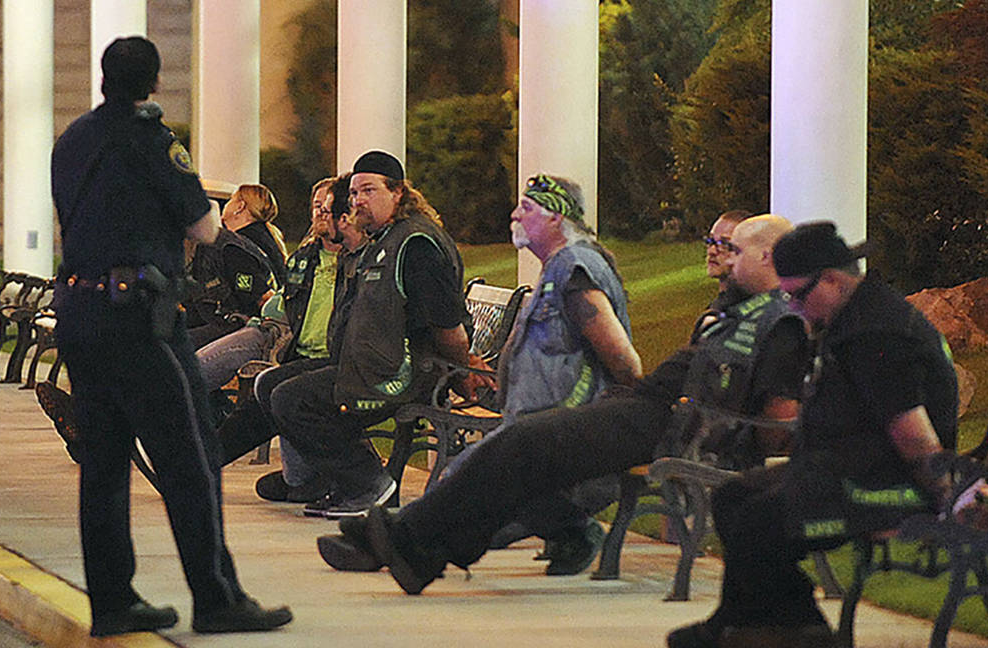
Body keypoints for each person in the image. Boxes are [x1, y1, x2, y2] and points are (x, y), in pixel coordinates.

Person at [327, 214, 808, 594]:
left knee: (522, 443)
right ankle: (417, 547)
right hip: (651, 410)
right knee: (523, 455)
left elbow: (776, 423)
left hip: (667, 425)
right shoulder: (739, 309)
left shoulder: (782, 324)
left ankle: (403, 537)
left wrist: (727, 433)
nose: (723, 257)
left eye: (734, 249)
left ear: (768, 256)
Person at [49, 36, 291, 636]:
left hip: (78, 311)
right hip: (138, 318)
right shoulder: (154, 142)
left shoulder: (71, 141)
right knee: (191, 455)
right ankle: (217, 598)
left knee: (103, 463)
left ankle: (112, 602)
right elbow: (206, 227)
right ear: (154, 83)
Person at [663, 221, 960, 648]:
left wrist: (949, 499)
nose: (795, 308)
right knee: (733, 497)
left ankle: (770, 623)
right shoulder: (852, 317)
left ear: (834, 280)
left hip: (890, 484)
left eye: (799, 295)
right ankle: (778, 618)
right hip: (848, 466)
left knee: (763, 518)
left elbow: (911, 431)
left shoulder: (875, 333)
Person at [318, 174, 642, 575]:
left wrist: (605, 424)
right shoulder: (560, 268)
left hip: (561, 442)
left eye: (527, 208)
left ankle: (386, 543)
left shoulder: (576, 270)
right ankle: (394, 544)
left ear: (557, 216)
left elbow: (624, 361)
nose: (514, 215)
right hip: (534, 436)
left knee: (473, 495)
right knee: (470, 488)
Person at [268, 150, 484, 519]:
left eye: (367, 190)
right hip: (374, 367)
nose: (357, 201)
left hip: (402, 375)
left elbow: (448, 328)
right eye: (353, 194)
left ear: (398, 192)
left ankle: (369, 485)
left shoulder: (416, 245)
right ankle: (349, 482)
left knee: (293, 400)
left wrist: (460, 374)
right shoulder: (387, 238)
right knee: (277, 386)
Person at [214, 174, 370, 503]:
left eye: (329, 208)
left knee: (280, 391)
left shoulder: (358, 261)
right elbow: (283, 302)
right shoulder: (306, 257)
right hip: (287, 342)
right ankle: (199, 462)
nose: (320, 213)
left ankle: (325, 479)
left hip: (332, 360)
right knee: (263, 394)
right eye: (317, 207)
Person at [184, 184, 281, 348]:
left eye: (231, 200)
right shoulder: (265, 238)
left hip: (242, 329)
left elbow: (262, 297)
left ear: (240, 206)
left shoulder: (231, 247)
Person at [703, 210, 752, 312]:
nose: (712, 251)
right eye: (710, 241)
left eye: (724, 244)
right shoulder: (718, 307)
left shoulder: (746, 312)